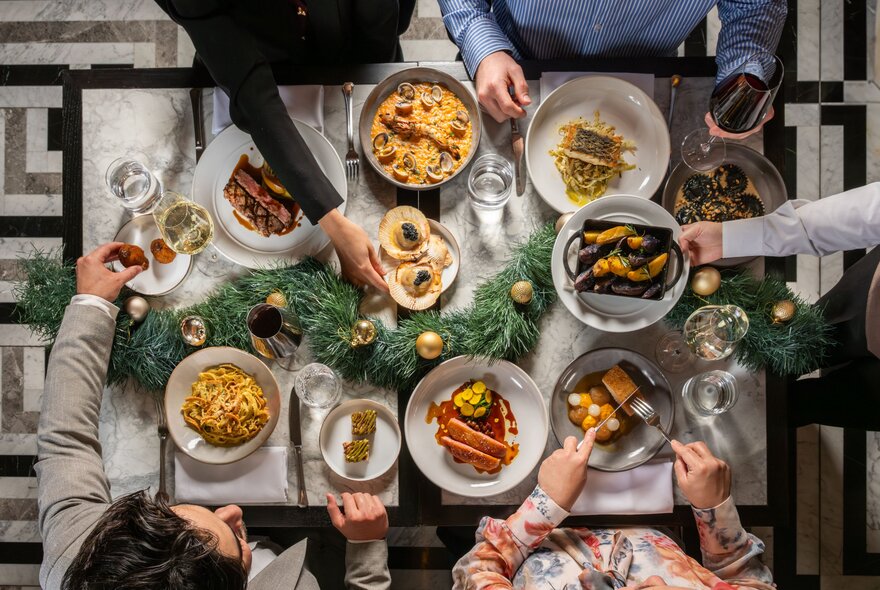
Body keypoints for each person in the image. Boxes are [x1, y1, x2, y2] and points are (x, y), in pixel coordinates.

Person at [36, 242, 392, 589]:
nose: (233, 509)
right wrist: (367, 548)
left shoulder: (77, 550)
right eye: (237, 542)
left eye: (168, 514)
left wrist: (91, 305)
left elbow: (65, 443)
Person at [154, 0, 417, 292]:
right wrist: (333, 222)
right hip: (252, 57)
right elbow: (251, 92)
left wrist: (375, 58)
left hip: (360, 48)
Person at [450, 428, 772, 589]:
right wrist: (715, 510)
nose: (656, 585)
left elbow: (477, 571)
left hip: (535, 535)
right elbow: (746, 581)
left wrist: (545, 504)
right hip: (665, 529)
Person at [679, 184, 880, 430]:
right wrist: (729, 238)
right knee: (790, 354)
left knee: (802, 408)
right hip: (870, 299)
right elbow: (866, 212)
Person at [438, 0, 786, 131]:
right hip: (512, 64)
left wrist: (745, 76)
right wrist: (481, 45)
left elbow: (755, 6)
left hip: (646, 80)